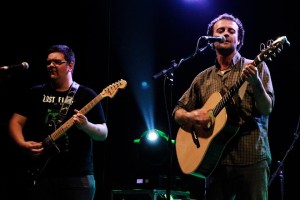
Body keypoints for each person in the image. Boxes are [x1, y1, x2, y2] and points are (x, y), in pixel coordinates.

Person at [173, 13, 274, 200]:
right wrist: (195, 117)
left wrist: (256, 83)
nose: (226, 34)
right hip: (215, 162)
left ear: (239, 40)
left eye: (231, 31)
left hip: (251, 158)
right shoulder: (203, 78)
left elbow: (267, 108)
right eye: (220, 31)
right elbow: (178, 111)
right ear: (212, 40)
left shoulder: (255, 67)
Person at [8, 44, 108, 200]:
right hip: (41, 175)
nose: (51, 66)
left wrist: (86, 126)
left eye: (56, 62)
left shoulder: (86, 95)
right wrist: (22, 144)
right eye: (48, 62)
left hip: (78, 178)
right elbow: (15, 122)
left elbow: (103, 134)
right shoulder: (36, 92)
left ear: (70, 65)